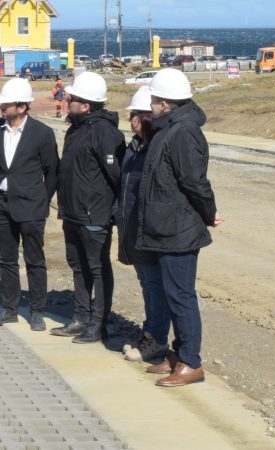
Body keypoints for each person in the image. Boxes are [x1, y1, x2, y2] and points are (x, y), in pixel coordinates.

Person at [138, 68, 223, 386]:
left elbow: (194, 181)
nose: (150, 107)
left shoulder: (183, 132)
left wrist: (209, 213)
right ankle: (178, 354)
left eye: (154, 100)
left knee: (182, 295)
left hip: (179, 228)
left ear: (165, 103)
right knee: (174, 295)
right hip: (167, 226)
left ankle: (191, 362)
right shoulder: (169, 129)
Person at [49, 71, 125, 343]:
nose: (67, 100)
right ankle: (81, 317)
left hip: (95, 214)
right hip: (73, 212)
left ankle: (98, 323)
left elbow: (116, 175)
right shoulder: (76, 129)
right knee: (78, 265)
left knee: (97, 267)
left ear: (87, 104)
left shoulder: (106, 132)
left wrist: (110, 210)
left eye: (73, 98)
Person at [0, 77, 59, 331]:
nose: (1, 107)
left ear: (22, 107)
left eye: (7, 104)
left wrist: (41, 201)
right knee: (6, 259)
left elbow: (52, 172)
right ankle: (9, 308)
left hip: (31, 206)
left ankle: (37, 310)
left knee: (34, 259)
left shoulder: (42, 133)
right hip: (1, 204)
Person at [116, 86, 170, 361]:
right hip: (132, 229)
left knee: (154, 286)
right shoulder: (134, 148)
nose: (131, 120)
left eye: (136, 114)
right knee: (146, 284)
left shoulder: (156, 149)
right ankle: (150, 334)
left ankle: (156, 340)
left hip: (148, 232)